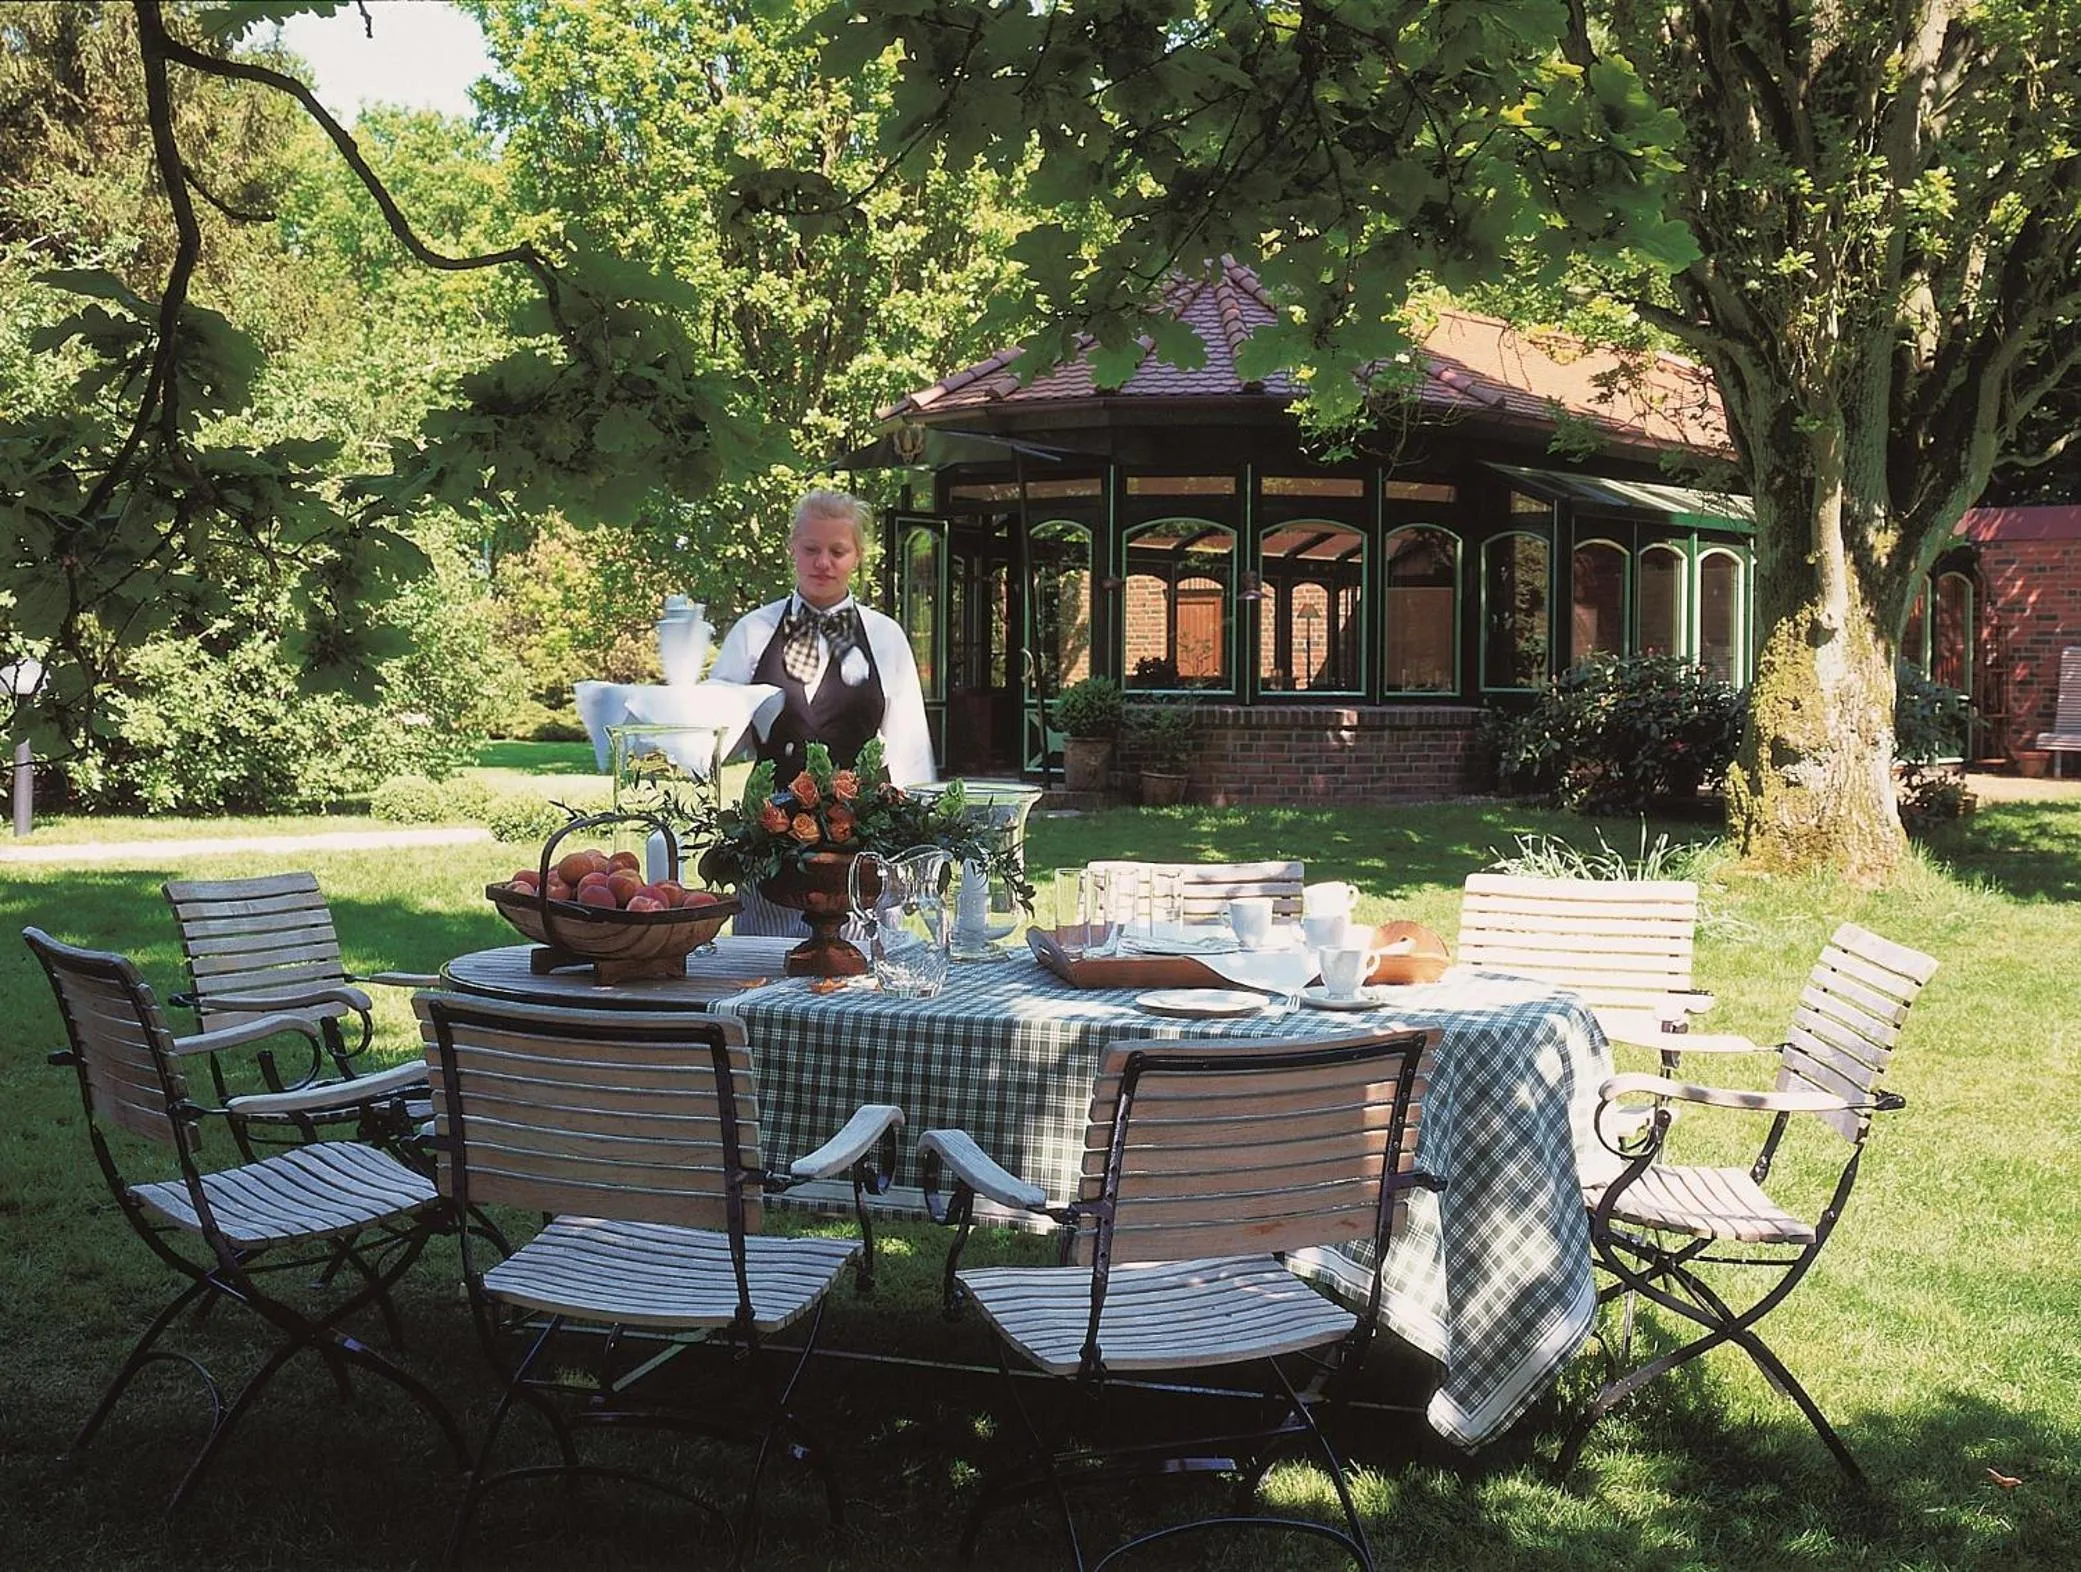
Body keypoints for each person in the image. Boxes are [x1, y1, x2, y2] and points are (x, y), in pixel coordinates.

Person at [708, 488, 937, 933]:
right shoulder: (753, 632)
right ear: (792, 548)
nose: (823, 563)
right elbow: (716, 738)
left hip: (860, 852)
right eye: (811, 549)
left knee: (861, 982)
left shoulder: (884, 636)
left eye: (837, 551)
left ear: (858, 557)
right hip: (769, 851)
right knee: (763, 980)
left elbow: (910, 749)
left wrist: (917, 848)